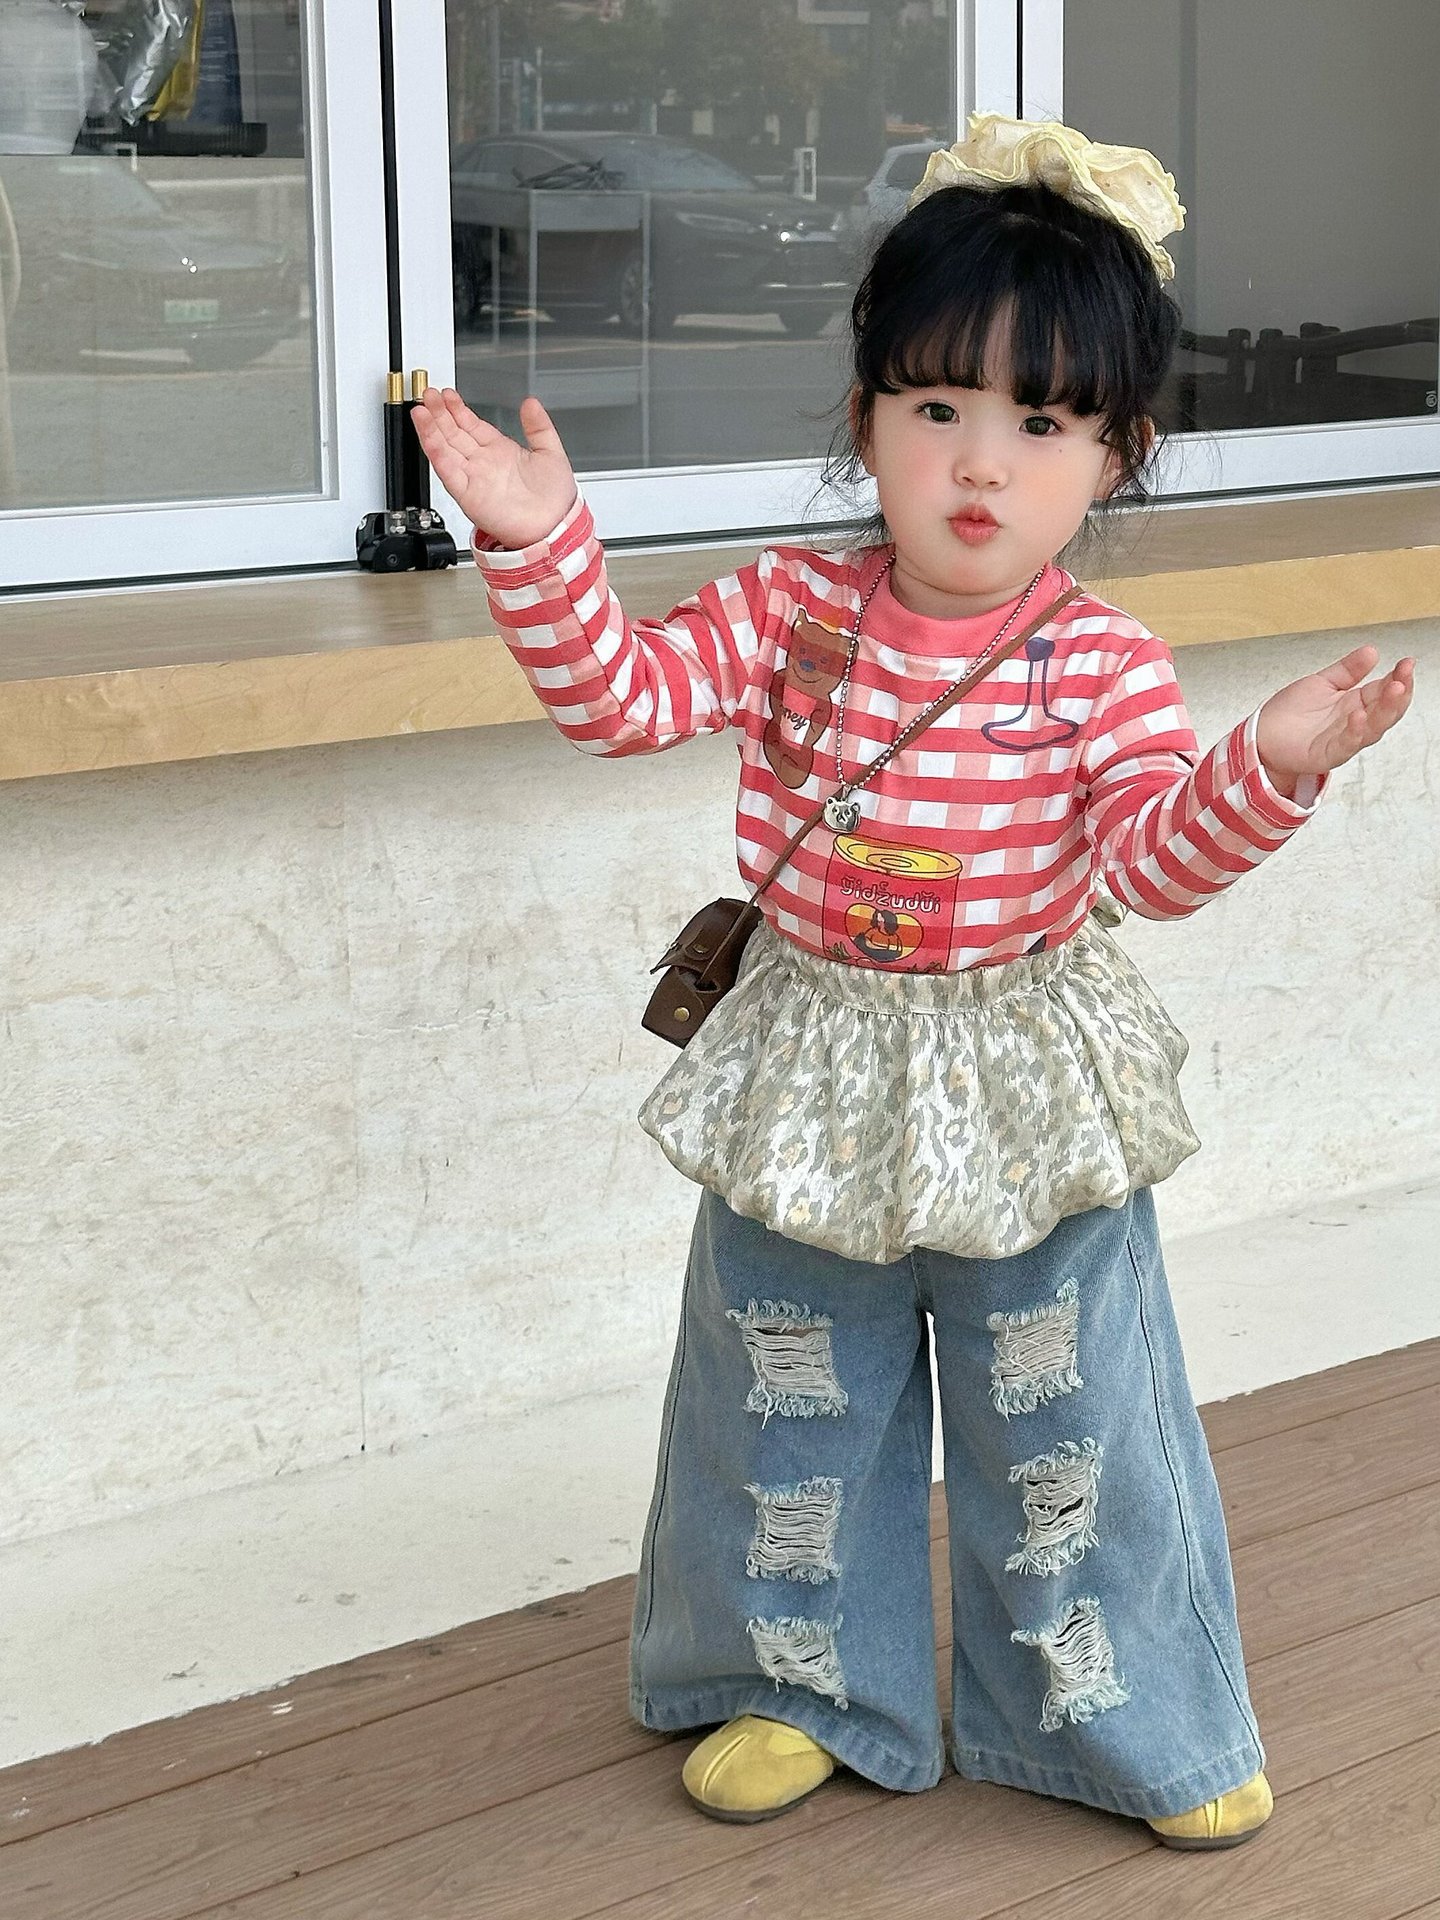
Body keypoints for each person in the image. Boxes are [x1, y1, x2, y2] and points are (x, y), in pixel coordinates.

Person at [411, 112, 1414, 1851]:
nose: (980, 465)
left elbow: (1151, 868)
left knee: (1065, 1407)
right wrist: (540, 541)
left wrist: (1272, 763)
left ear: (1117, 457)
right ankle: (794, 1685)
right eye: (938, 407)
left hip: (1023, 1071)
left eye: (1043, 424)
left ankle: (1124, 1719)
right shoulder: (791, 610)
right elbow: (621, 702)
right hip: (811, 1062)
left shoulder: (1100, 662)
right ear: (867, 415)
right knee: (787, 1387)